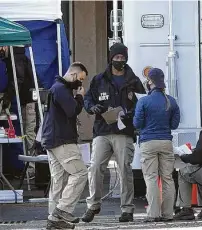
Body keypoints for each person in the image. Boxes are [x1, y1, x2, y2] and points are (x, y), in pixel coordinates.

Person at [82, 43, 146, 223]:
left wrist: (129, 114)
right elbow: (88, 98)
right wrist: (90, 107)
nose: (120, 60)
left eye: (122, 57)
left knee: (125, 170)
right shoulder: (99, 79)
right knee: (95, 167)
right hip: (102, 130)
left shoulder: (133, 81)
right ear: (111, 58)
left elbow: (142, 104)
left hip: (124, 131)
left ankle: (127, 209)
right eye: (117, 57)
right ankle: (93, 206)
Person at [41, 62, 89, 229]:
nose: (80, 84)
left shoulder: (56, 88)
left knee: (58, 180)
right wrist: (80, 97)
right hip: (62, 140)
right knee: (80, 173)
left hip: (52, 140)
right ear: (74, 75)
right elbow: (72, 111)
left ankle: (53, 220)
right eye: (80, 79)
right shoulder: (61, 90)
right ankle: (62, 211)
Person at [133, 68, 180, 222]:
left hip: (148, 143)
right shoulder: (171, 101)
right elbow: (174, 124)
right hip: (166, 142)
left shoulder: (144, 101)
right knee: (168, 178)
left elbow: (136, 123)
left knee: (151, 178)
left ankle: (153, 214)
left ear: (150, 82)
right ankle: (168, 214)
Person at [0, 46, 39, 177]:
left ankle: (31, 168)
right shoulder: (19, 56)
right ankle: (28, 167)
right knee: (27, 132)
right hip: (27, 99)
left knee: (28, 132)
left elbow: (18, 79)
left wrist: (7, 96)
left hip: (27, 100)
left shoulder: (16, 58)